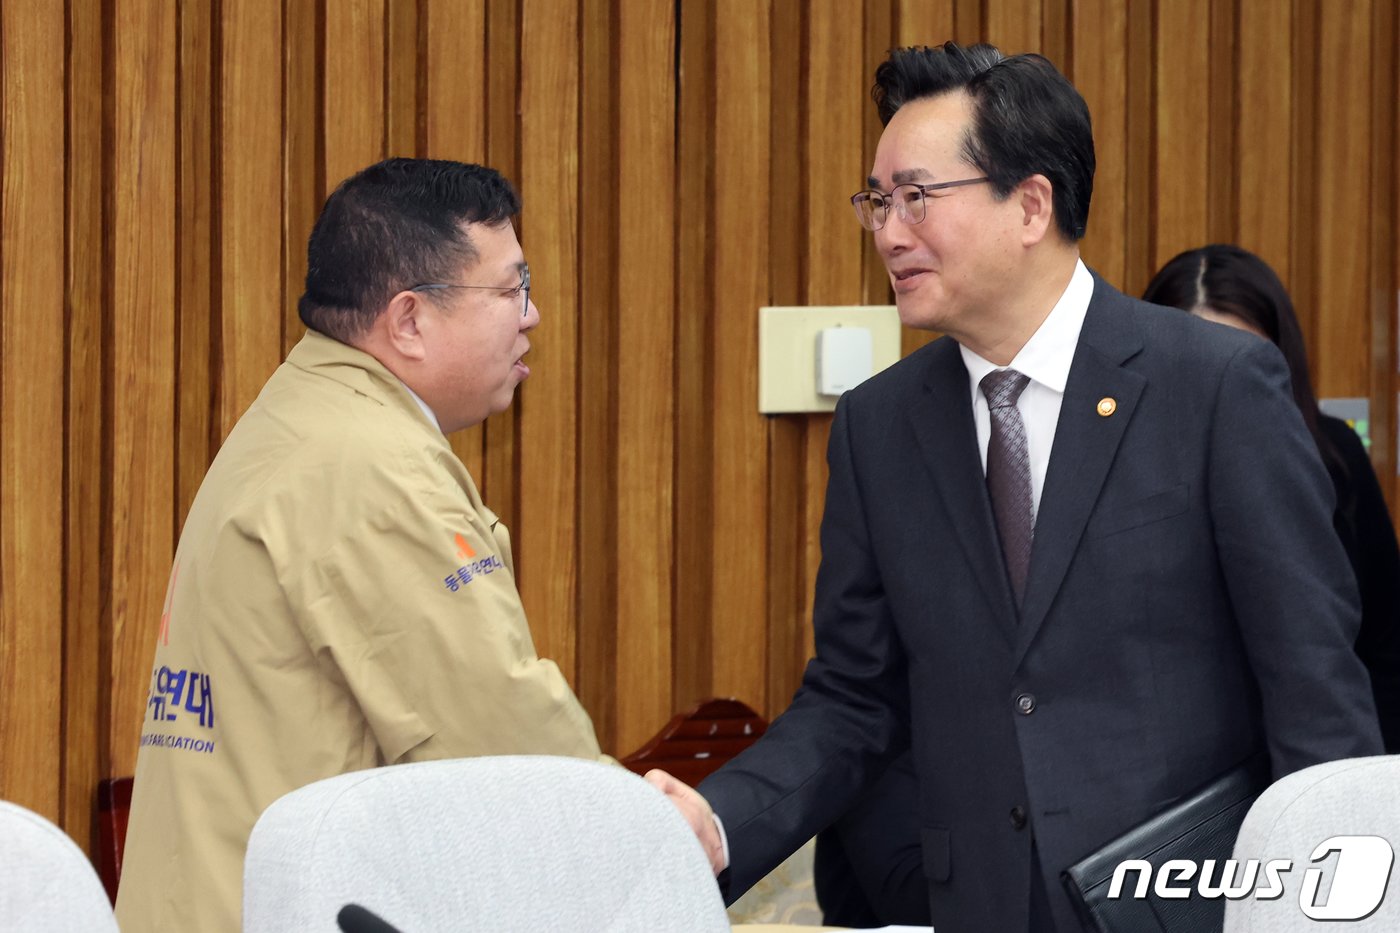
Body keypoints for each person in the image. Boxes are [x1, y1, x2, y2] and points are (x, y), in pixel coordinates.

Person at [647, 42, 1381, 933]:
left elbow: (1313, 689)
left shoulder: (1216, 386)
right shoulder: (880, 424)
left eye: (917, 195)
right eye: (877, 200)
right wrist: (719, 824)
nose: (887, 229)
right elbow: (853, 696)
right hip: (976, 899)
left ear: (1031, 204)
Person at [115, 159, 606, 933]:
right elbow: (507, 744)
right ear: (408, 319)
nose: (532, 314)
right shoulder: (373, 464)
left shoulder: (303, 411)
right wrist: (647, 841)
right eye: (512, 288)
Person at [1143, 244, 1400, 752]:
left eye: (1242, 361)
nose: (1221, 389)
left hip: (1314, 765)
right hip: (1180, 794)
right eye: (1199, 363)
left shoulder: (1334, 455)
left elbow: (1385, 645)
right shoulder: (1124, 473)